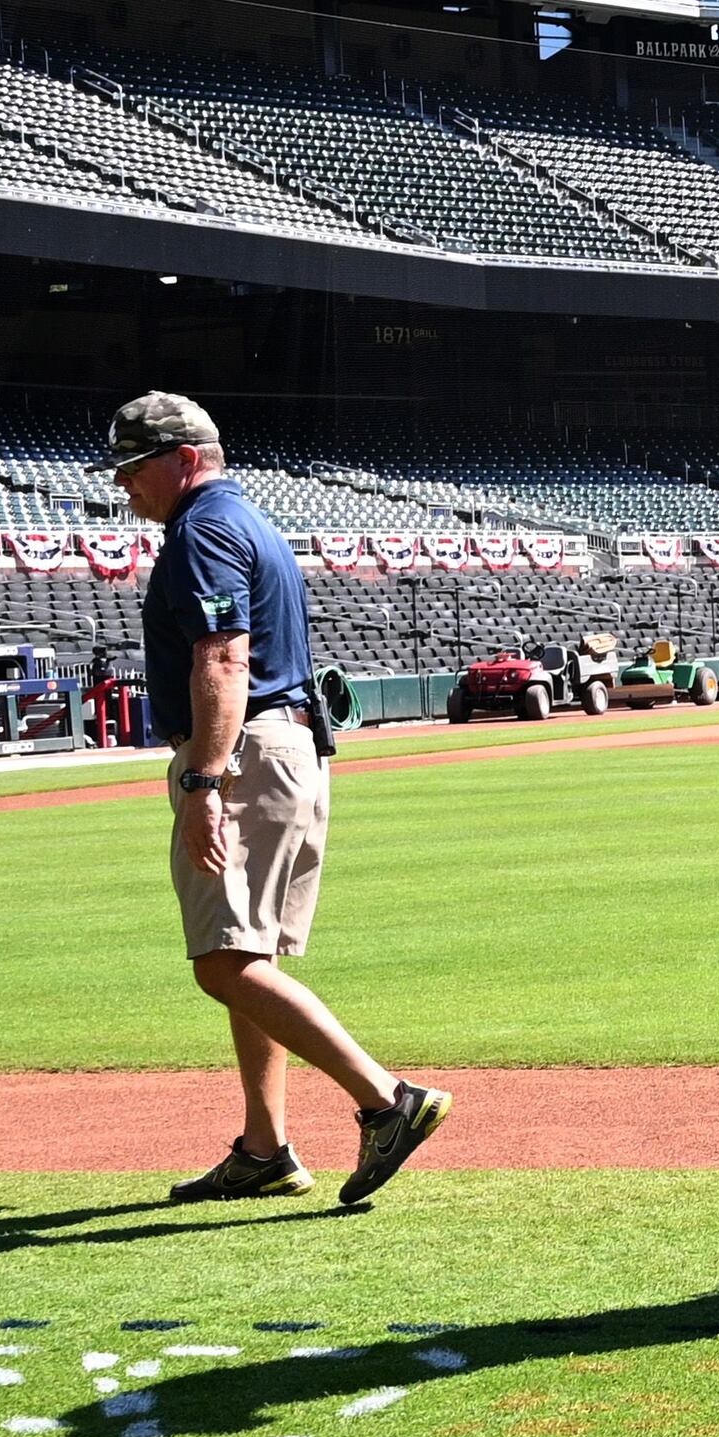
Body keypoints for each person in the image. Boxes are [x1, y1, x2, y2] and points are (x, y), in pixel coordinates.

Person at [115, 391, 454, 1207]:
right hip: (288, 744)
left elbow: (225, 659)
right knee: (249, 957)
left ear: (183, 459)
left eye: (133, 468)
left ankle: (386, 1099)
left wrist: (203, 777)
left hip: (246, 753)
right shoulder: (251, 522)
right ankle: (265, 1150)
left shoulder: (200, 531)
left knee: (224, 963)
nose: (125, 487)